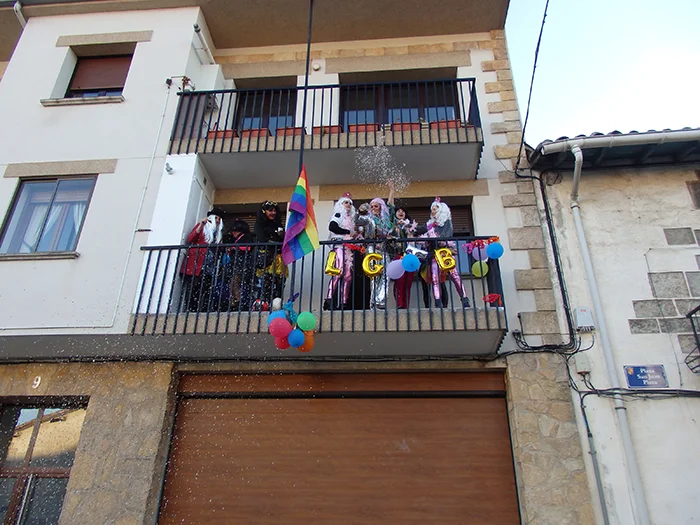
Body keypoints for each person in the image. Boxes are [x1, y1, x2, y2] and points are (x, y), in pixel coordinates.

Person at [417, 198, 471, 308]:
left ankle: (465, 299)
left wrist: (432, 236)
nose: (432, 211)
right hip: (434, 255)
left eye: (435, 209)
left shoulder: (446, 222)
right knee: (435, 278)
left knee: (455, 276)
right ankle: (438, 302)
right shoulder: (429, 224)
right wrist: (407, 225)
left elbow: (445, 236)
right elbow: (418, 230)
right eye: (431, 210)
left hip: (446, 253)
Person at [179, 207, 225, 312]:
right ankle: (191, 311)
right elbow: (190, 239)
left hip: (209, 267)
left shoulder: (218, 235)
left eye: (219, 219)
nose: (218, 221)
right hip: (197, 264)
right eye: (216, 218)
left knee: (205, 290)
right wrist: (200, 225)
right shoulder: (203, 227)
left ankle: (201, 311)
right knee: (193, 289)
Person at [324, 193, 357, 310]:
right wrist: (347, 232)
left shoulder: (351, 220)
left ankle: (344, 302)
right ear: (340, 204)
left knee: (348, 276)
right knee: (338, 272)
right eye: (346, 202)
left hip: (348, 248)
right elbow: (332, 227)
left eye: (350, 203)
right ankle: (329, 300)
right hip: (339, 246)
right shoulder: (338, 215)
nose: (348, 204)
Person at [253, 200, 287, 309]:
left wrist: (283, 236)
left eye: (274, 210)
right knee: (266, 282)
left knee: (280, 283)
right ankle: (264, 305)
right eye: (270, 210)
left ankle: (277, 305)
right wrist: (276, 241)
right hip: (266, 258)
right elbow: (262, 239)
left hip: (279, 259)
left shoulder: (278, 224)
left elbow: (283, 241)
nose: (273, 213)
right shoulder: (259, 224)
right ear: (264, 211)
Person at [367, 183, 395, 309]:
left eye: (376, 206)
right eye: (372, 206)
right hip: (373, 248)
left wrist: (391, 190)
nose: (373, 208)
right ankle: (373, 302)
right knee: (374, 275)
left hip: (384, 248)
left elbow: (391, 205)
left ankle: (380, 300)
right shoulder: (368, 219)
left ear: (381, 207)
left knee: (386, 274)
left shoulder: (386, 219)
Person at [226, 219, 255, 311]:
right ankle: (234, 301)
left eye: (236, 230)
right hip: (236, 264)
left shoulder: (246, 237)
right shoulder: (236, 239)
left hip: (242, 265)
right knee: (233, 283)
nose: (233, 233)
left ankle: (239, 301)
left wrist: (234, 248)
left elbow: (247, 248)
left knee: (235, 282)